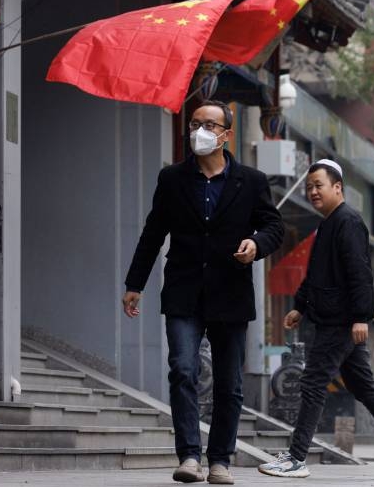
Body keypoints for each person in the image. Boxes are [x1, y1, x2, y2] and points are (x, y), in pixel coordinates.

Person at [123, 100, 284, 485]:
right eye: (194, 124)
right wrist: (135, 284)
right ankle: (190, 456)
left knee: (230, 382)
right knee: (182, 369)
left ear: (226, 134)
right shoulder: (173, 179)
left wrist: (255, 244)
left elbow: (274, 227)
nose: (199, 131)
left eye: (209, 125)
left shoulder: (252, 181)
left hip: (230, 292)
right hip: (184, 291)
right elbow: (153, 232)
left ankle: (220, 460)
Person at [258, 160, 374, 480]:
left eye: (318, 185)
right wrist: (300, 306)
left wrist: (361, 317)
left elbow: (359, 274)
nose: (312, 192)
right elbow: (317, 274)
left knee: (312, 383)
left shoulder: (347, 221)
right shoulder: (329, 223)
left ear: (338, 188)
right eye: (308, 187)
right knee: (364, 385)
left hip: (341, 321)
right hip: (336, 318)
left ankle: (295, 458)